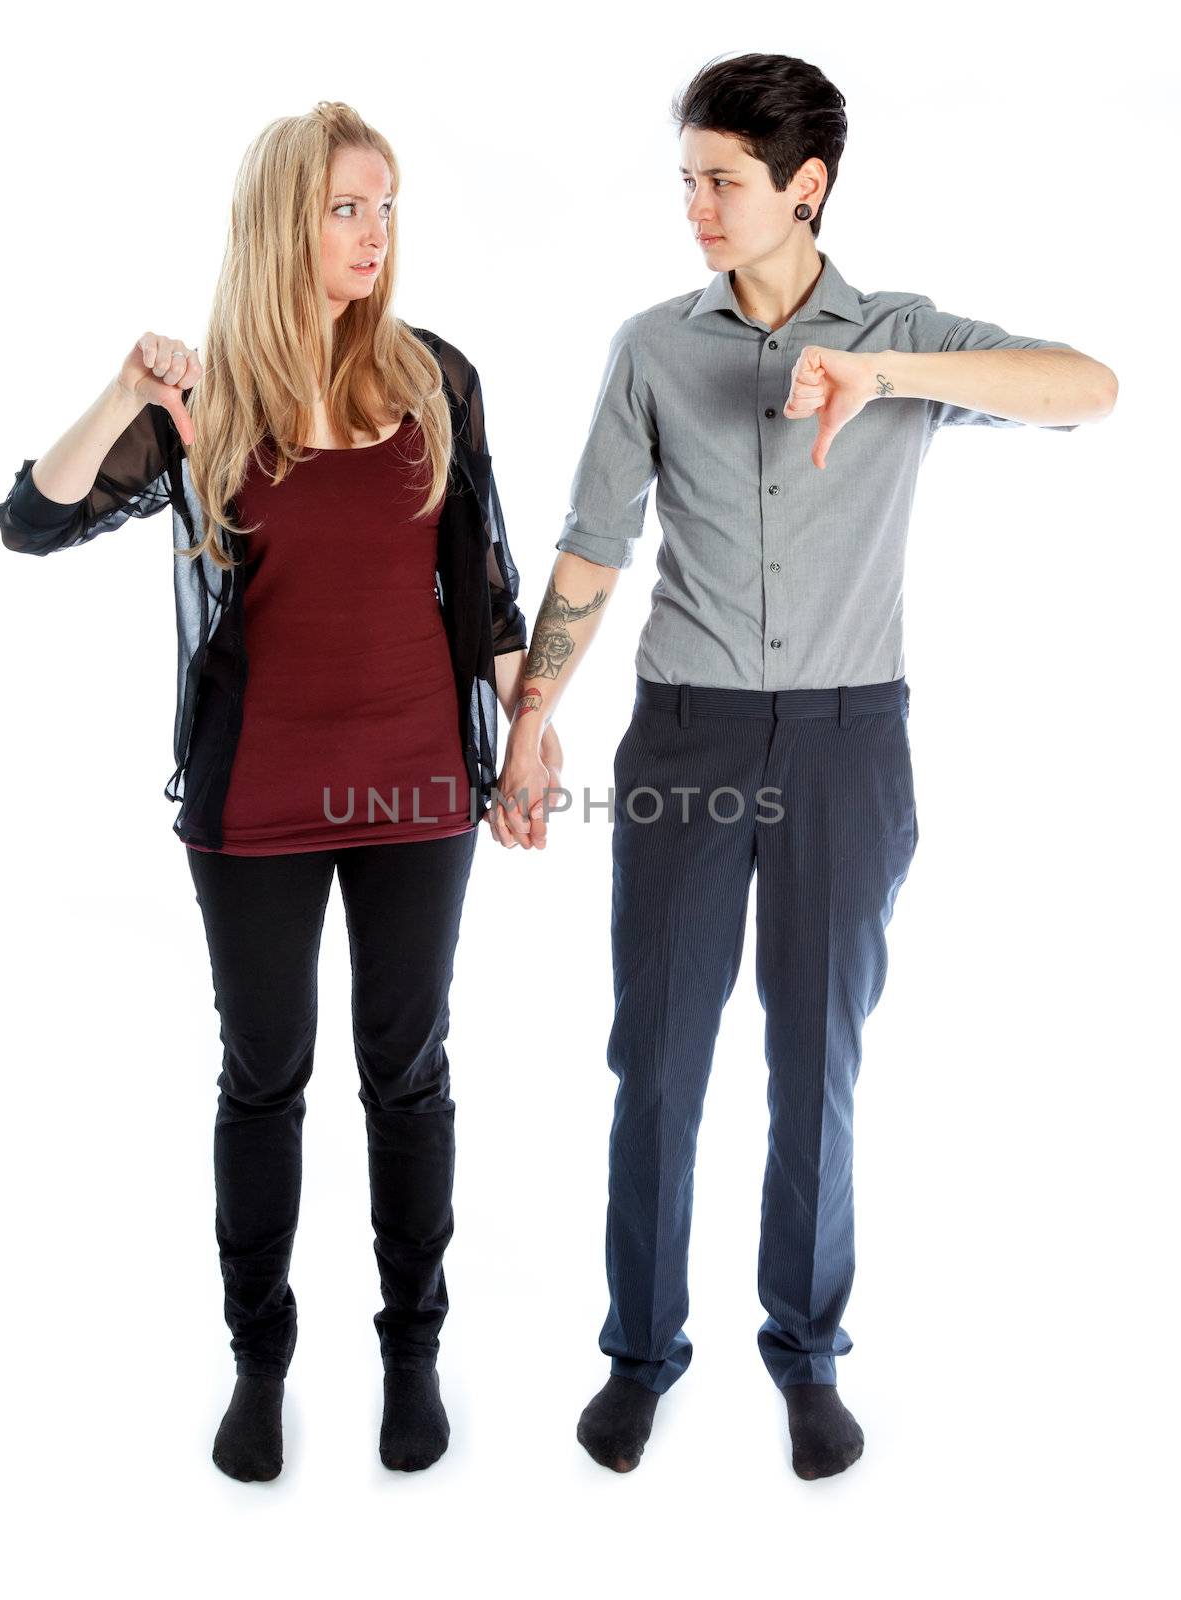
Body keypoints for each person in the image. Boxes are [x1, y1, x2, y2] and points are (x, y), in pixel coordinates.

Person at [490, 51, 1116, 1479]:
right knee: (654, 1060)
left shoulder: (901, 333)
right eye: (688, 179)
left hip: (849, 741)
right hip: (690, 735)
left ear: (805, 186)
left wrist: (887, 373)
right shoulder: (653, 345)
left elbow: (1092, 390)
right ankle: (639, 1354)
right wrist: (530, 713)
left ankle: (808, 1352)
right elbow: (595, 540)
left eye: (723, 181)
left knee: (814, 1061)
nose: (696, 207)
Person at [0, 100, 555, 1483]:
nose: (374, 236)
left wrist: (529, 726)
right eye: (345, 209)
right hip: (256, 801)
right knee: (265, 1077)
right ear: (280, 223)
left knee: (407, 1072)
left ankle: (413, 1350)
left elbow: (484, 586)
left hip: (420, 788)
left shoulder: (437, 379)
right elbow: (32, 519)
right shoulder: (211, 406)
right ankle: (261, 1362)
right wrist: (127, 392)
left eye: (387, 207)